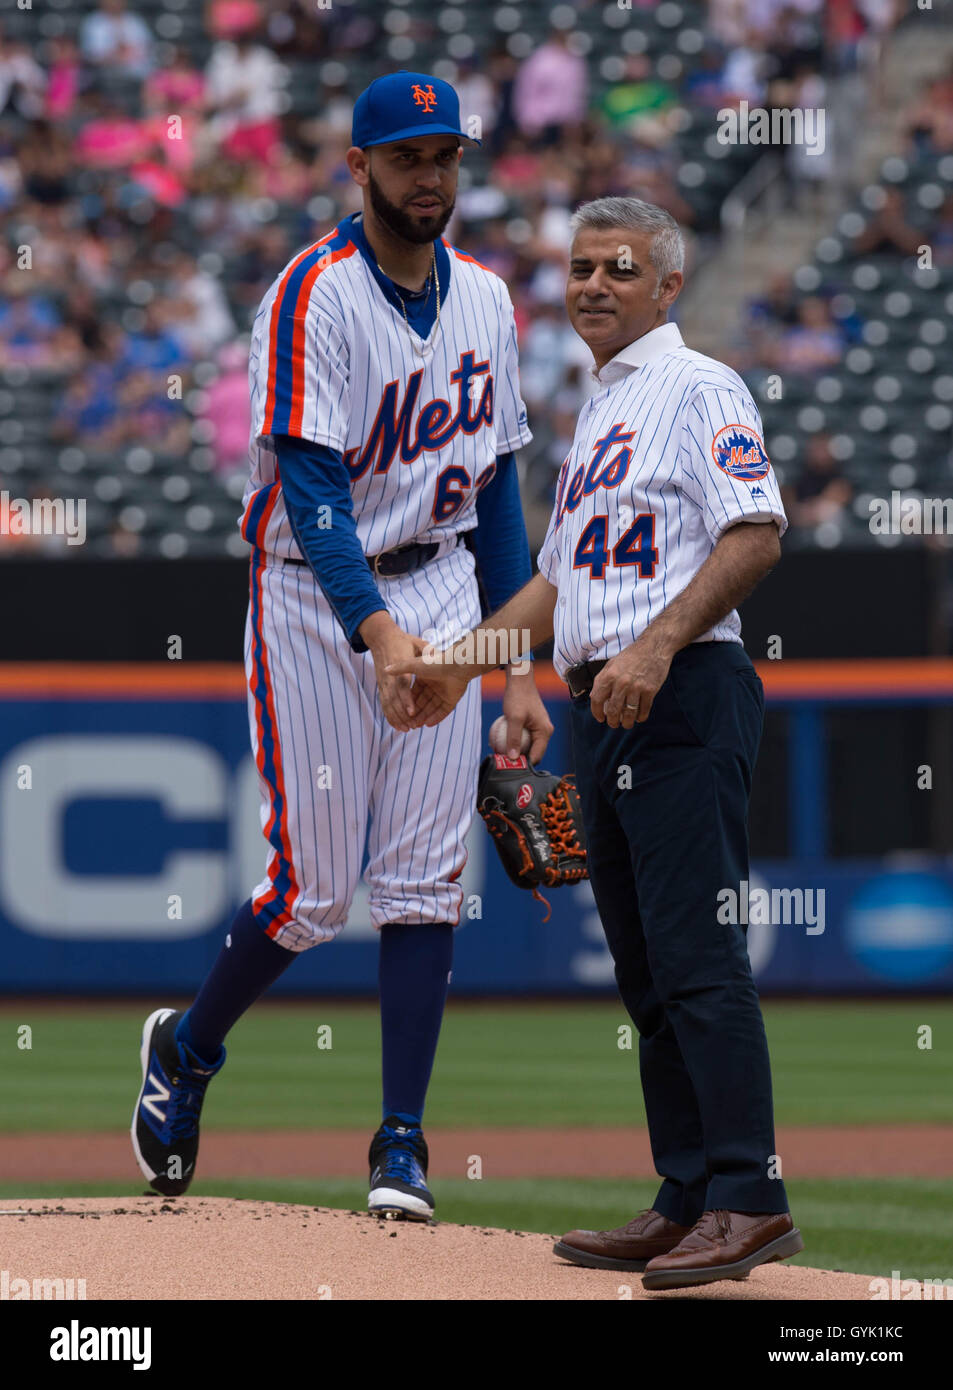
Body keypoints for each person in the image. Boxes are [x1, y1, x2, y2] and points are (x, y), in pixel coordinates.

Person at [130, 71, 550, 1222]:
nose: (431, 175)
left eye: (446, 154)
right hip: (319, 604)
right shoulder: (311, 294)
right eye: (407, 156)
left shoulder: (488, 300)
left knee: (423, 883)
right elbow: (311, 490)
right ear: (357, 168)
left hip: (449, 588)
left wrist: (509, 664)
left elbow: (497, 488)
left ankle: (401, 1142)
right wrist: (379, 636)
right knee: (312, 893)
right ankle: (189, 1050)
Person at [389, 196, 803, 1290]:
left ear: (666, 285)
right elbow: (557, 584)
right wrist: (449, 663)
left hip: (681, 693)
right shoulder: (599, 409)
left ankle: (748, 1195)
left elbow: (755, 529)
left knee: (699, 960)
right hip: (603, 704)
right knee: (648, 969)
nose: (590, 285)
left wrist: (661, 645)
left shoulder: (696, 385)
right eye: (576, 267)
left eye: (617, 267)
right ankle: (685, 1194)